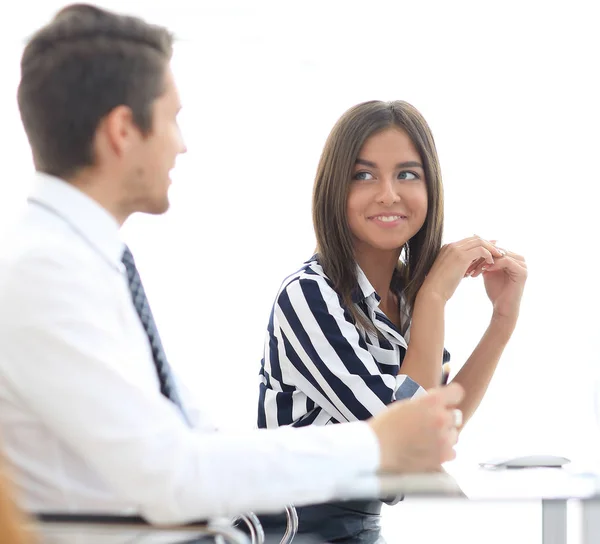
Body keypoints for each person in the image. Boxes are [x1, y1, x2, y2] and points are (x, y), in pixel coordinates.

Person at [0, 3, 464, 532]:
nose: (182, 144)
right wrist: (373, 442)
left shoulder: (83, 260)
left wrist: (378, 441)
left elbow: (195, 442)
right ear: (123, 131)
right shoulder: (46, 274)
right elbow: (170, 478)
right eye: (173, 119)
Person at [257, 100, 528, 542]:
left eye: (407, 174)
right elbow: (400, 434)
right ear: (334, 190)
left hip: (359, 531)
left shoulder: (404, 299)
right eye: (363, 175)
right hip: (293, 532)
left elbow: (440, 419)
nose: (388, 193)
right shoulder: (308, 295)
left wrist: (502, 320)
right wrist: (436, 295)